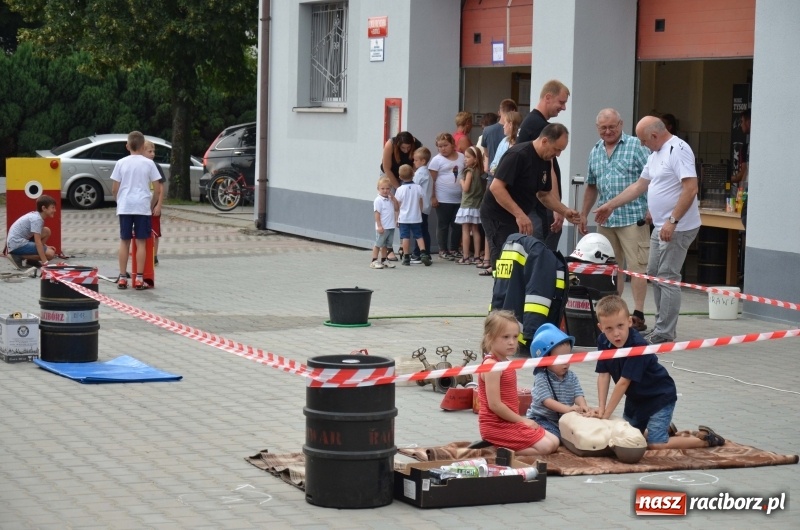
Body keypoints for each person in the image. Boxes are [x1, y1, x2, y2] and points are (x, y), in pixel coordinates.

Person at [594, 116, 700, 345]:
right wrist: (611, 205)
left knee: (667, 276)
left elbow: (690, 189)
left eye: (643, 140)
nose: (642, 145)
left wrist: (673, 220)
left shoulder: (678, 150)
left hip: (676, 226)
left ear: (654, 135)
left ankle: (665, 332)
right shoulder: (655, 154)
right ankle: (661, 326)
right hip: (661, 225)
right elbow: (639, 186)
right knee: (653, 273)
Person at [594, 295, 725, 449]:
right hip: (636, 400)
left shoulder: (638, 346)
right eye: (609, 328)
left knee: (655, 445)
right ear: (601, 327)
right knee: (629, 438)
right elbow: (603, 375)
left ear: (630, 322)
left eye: (620, 326)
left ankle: (706, 439)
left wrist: (607, 414)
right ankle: (666, 429)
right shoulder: (603, 341)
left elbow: (623, 383)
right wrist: (601, 407)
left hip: (659, 396)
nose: (616, 333)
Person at [580, 108, 651, 332]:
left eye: (612, 126)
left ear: (621, 125)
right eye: (604, 128)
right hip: (606, 221)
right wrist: (583, 213)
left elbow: (653, 178)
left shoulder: (636, 146)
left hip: (633, 217)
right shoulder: (595, 151)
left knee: (637, 267)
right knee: (611, 269)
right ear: (597, 128)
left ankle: (638, 313)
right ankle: (614, 313)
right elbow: (591, 185)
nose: (608, 131)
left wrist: (652, 209)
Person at [480, 123, 581, 276]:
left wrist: (564, 211)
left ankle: (516, 296)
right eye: (557, 149)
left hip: (517, 217)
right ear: (545, 141)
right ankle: (502, 297)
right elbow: (496, 188)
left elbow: (544, 194)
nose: (558, 154)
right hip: (497, 216)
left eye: (561, 150)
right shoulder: (518, 155)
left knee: (520, 263)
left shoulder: (545, 161)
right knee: (505, 264)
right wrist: (519, 215)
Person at [477, 310, 560, 455]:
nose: (512, 342)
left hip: (510, 421)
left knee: (554, 441)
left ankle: (505, 447)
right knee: (546, 447)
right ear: (490, 338)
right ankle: (496, 451)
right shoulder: (492, 365)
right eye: (506, 337)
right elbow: (495, 405)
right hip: (496, 426)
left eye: (515, 337)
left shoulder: (505, 362)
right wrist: (522, 421)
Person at [517, 80, 570, 251]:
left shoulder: (531, 123)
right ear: (548, 97)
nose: (563, 108)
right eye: (561, 102)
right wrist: (556, 207)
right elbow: (549, 169)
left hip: (536, 204)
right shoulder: (541, 127)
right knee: (542, 253)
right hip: (538, 206)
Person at [111, 130, 164, 290]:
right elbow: (157, 188)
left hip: (125, 205)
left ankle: (122, 277)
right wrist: (151, 204)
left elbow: (114, 188)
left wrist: (119, 201)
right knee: (141, 242)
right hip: (142, 206)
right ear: (142, 146)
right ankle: (139, 278)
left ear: (127, 146)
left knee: (124, 241)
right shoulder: (149, 164)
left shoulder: (121, 162)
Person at [526, 323, 592, 439]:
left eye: (568, 358)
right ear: (545, 359)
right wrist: (568, 409)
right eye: (561, 359)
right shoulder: (542, 377)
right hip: (542, 419)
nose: (566, 362)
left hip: (564, 418)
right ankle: (533, 433)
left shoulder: (571, 376)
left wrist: (583, 406)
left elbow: (578, 394)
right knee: (557, 436)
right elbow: (547, 401)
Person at [380, 131, 422, 260]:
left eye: (408, 147)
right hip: (390, 175)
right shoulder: (390, 144)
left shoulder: (417, 144)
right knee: (389, 212)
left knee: (404, 214)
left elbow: (416, 167)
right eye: (403, 148)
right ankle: (388, 248)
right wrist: (399, 189)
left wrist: (407, 185)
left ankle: (403, 246)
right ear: (398, 144)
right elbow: (386, 168)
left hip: (406, 177)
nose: (406, 150)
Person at [429, 132, 464, 260]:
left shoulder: (461, 157)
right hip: (443, 198)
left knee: (457, 225)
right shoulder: (437, 160)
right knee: (443, 224)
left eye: (445, 145)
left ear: (452, 144)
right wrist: (433, 197)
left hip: (459, 198)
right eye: (440, 146)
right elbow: (431, 180)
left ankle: (454, 248)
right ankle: (442, 249)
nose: (442, 148)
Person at [5, 194, 57, 269]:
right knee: (50, 254)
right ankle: (16, 256)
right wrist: (45, 262)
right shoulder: (37, 219)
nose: (55, 210)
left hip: (17, 242)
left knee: (46, 231)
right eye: (52, 208)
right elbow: (38, 242)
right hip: (16, 244)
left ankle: (31, 260)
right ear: (44, 208)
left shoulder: (37, 216)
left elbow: (37, 239)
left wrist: (46, 246)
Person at [394, 165, 432, 266]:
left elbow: (398, 205)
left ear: (400, 177)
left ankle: (406, 257)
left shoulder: (400, 190)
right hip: (416, 217)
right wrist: (419, 212)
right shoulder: (418, 188)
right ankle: (423, 253)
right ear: (413, 174)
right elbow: (421, 201)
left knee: (405, 237)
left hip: (404, 218)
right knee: (419, 236)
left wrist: (397, 218)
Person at [454, 146, 485, 265]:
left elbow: (466, 188)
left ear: (475, 159)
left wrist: (461, 181)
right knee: (476, 230)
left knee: (465, 230)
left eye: (468, 157)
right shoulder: (480, 172)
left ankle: (466, 256)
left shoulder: (469, 172)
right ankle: (477, 256)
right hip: (477, 204)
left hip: (467, 204)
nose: (465, 159)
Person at [142, 140, 166, 266]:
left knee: (155, 232)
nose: (152, 154)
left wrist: (158, 205)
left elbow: (161, 188)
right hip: (142, 205)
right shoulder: (140, 166)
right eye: (149, 151)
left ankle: (154, 256)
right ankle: (142, 254)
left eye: (153, 151)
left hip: (154, 205)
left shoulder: (156, 167)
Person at [409, 147, 433, 264]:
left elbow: (413, 185)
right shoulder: (427, 172)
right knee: (424, 229)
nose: (414, 162)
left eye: (416, 160)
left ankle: (417, 253)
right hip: (426, 206)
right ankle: (426, 252)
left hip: (420, 207)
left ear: (423, 161)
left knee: (418, 231)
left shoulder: (421, 173)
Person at [482, 99, 518, 172]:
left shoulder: (487, 131)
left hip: (492, 173)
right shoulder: (518, 134)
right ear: (514, 111)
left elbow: (486, 153)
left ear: (499, 112)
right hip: (509, 174)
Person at [370, 177, 397, 269]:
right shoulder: (378, 200)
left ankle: (384, 259)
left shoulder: (390, 199)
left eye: (387, 188)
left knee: (387, 245)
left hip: (390, 226)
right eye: (382, 188)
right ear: (378, 189)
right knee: (378, 244)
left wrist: (393, 198)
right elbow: (377, 214)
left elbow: (397, 207)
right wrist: (379, 226)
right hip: (383, 227)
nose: (385, 191)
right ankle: (374, 260)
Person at [488, 111, 522, 177]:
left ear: (510, 124)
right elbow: (494, 163)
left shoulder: (521, 142)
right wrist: (494, 169)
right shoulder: (504, 141)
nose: (503, 127)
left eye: (505, 123)